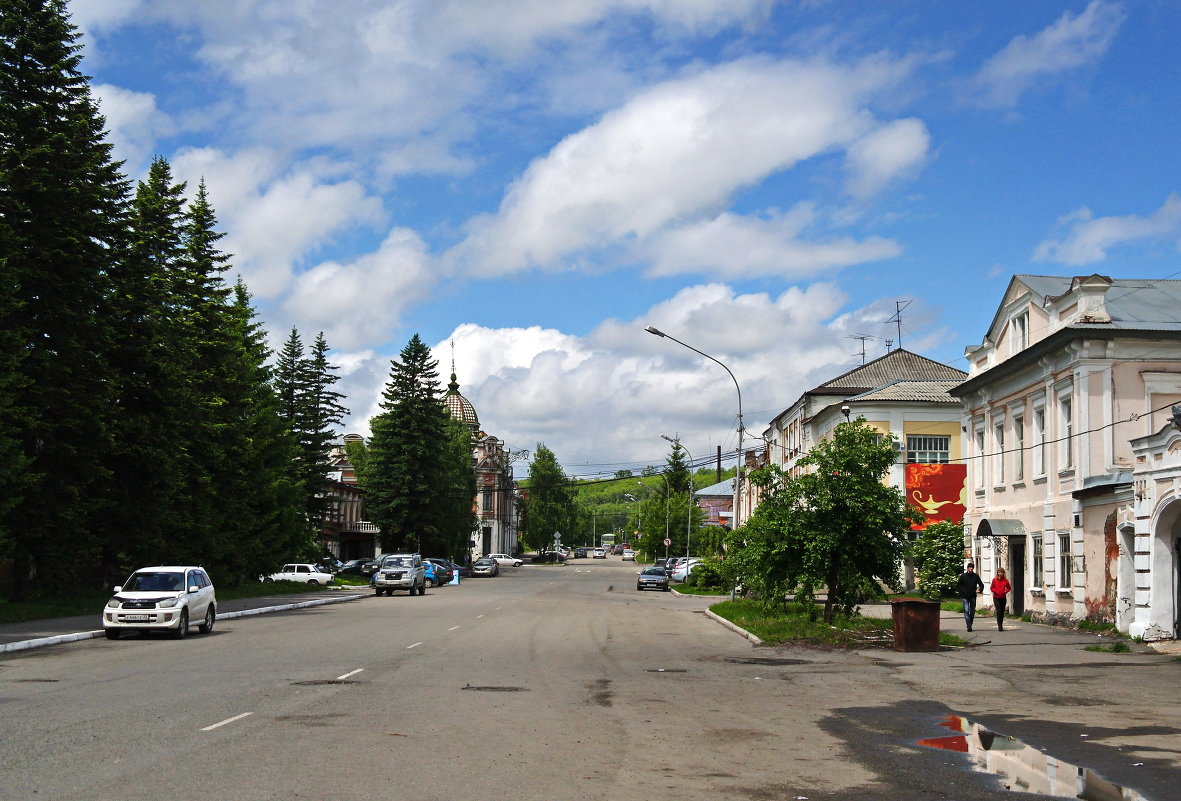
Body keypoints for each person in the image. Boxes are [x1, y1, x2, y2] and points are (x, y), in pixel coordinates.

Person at [956, 562, 985, 632]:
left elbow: (981, 585)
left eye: (972, 568)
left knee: (972, 611)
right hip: (965, 596)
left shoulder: (976, 576)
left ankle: (970, 624)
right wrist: (962, 592)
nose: (971, 569)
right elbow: (958, 585)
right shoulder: (963, 576)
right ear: (967, 568)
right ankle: (969, 626)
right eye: (970, 567)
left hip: (973, 596)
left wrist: (979, 590)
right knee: (966, 610)